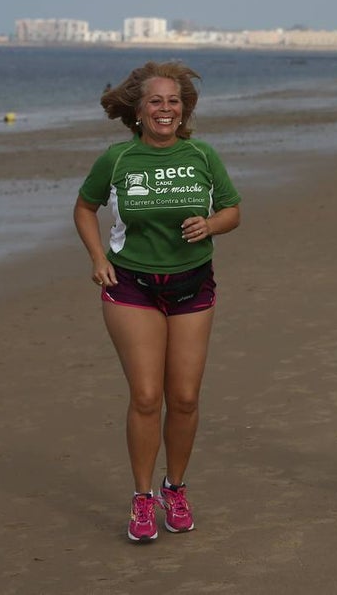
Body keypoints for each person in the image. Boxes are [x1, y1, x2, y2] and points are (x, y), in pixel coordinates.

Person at [73, 61, 242, 543]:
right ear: (139, 110)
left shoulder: (202, 155)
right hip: (131, 287)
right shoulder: (117, 159)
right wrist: (97, 257)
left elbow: (232, 210)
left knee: (184, 399)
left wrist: (210, 224)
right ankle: (143, 497)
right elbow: (84, 208)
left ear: (183, 109)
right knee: (147, 397)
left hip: (192, 286)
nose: (165, 109)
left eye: (173, 101)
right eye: (155, 101)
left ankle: (176, 488)